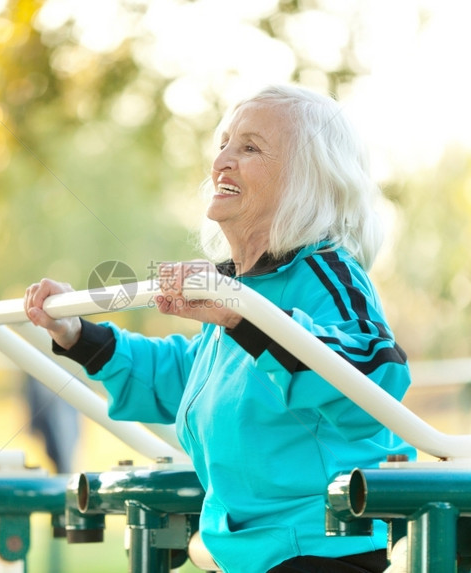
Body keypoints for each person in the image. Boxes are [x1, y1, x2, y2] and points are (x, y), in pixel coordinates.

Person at [24, 84, 415, 573]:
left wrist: (240, 315)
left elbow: (376, 375)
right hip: (249, 554)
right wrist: (78, 335)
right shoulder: (238, 287)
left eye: (250, 147)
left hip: (326, 548)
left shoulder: (325, 274)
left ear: (306, 179)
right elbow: (185, 374)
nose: (222, 161)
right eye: (224, 143)